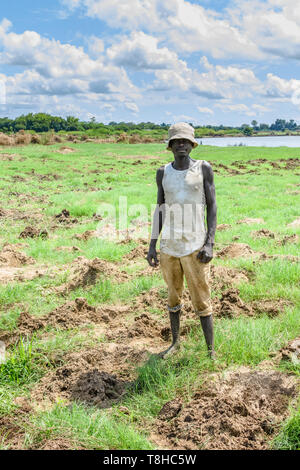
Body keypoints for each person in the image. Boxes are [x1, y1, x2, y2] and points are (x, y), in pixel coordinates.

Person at [146, 122, 217, 359]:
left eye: (186, 141)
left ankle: (210, 352)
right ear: (171, 145)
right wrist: (152, 245)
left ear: (192, 144)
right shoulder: (163, 172)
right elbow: (160, 208)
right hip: (169, 247)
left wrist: (209, 242)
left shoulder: (203, 169)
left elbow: (212, 205)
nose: (182, 145)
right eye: (177, 141)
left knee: (201, 298)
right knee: (173, 296)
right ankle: (175, 343)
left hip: (195, 247)